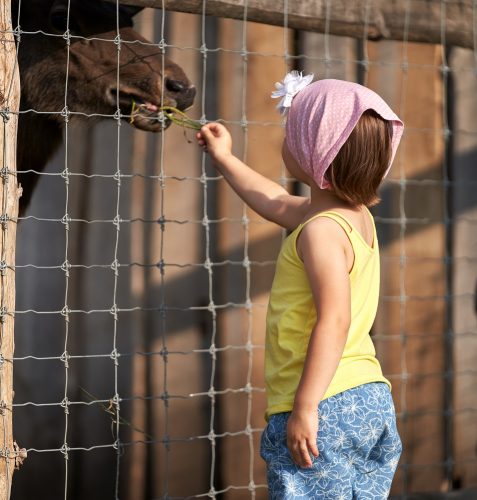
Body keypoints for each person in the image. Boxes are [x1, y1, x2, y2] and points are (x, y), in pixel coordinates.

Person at [196, 73, 403, 499]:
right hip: (367, 398)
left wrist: (306, 408)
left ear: (314, 150)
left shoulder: (320, 232)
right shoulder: (351, 218)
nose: (285, 140)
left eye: (292, 133)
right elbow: (274, 201)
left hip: (323, 403)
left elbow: (335, 319)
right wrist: (225, 158)